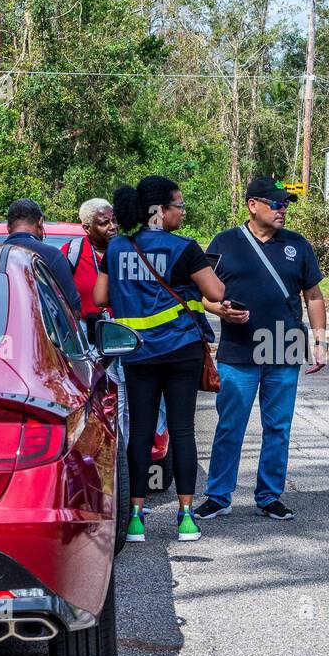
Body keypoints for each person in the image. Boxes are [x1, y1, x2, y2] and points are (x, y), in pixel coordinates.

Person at [93, 175, 226, 544]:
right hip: (180, 350)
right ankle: (185, 517)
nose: (182, 212)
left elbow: (101, 297)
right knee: (182, 431)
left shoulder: (117, 248)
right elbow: (216, 291)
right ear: (159, 210)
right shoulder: (184, 248)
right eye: (178, 206)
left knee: (139, 431)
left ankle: (135, 519)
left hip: (136, 352)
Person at [194, 177, 327, 523]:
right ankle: (218, 496)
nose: (283, 210)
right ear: (253, 205)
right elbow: (205, 295)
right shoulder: (225, 242)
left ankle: (269, 496)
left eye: (286, 205)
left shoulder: (298, 245)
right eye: (277, 204)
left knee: (278, 427)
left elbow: (313, 296)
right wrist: (220, 310)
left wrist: (320, 341)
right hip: (238, 351)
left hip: (286, 347)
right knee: (230, 425)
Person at [3, 199, 81, 315]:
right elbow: (74, 312)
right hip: (43, 332)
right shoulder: (53, 256)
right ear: (40, 222)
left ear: (8, 227)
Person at [63, 197, 117, 324]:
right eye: (104, 223)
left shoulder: (128, 250)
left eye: (114, 220)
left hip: (126, 332)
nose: (113, 227)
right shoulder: (71, 253)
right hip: (87, 336)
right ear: (87, 228)